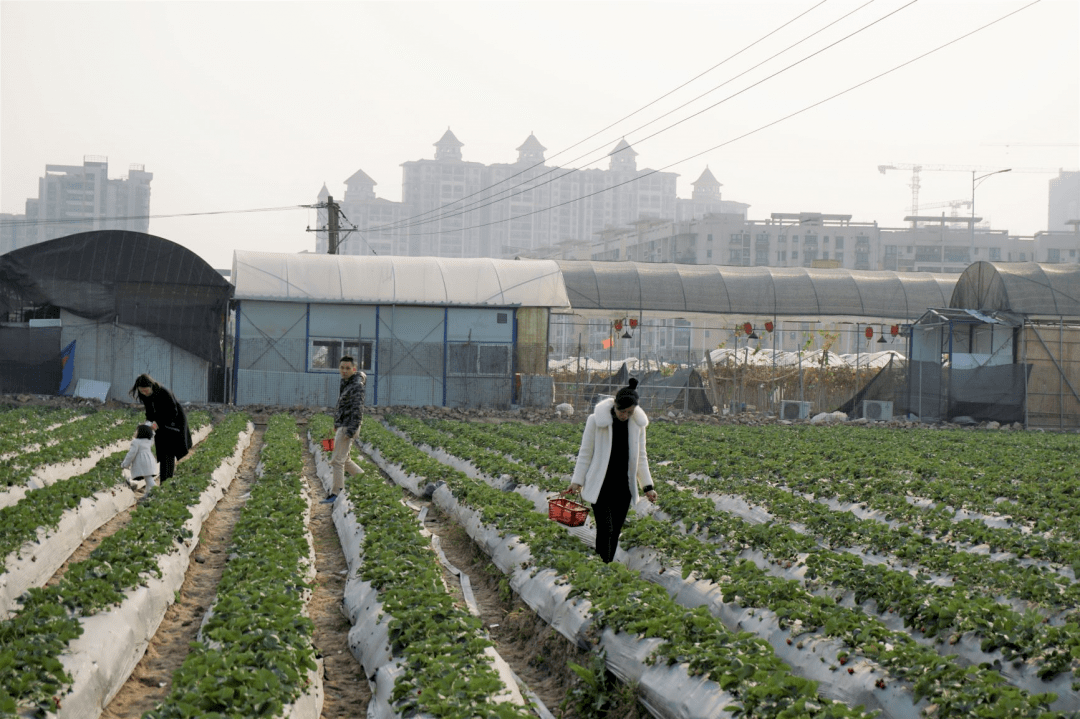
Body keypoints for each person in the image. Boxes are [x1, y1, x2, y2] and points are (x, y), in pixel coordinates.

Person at [568, 378, 658, 563]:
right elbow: (585, 453)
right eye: (621, 411)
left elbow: (641, 456)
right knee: (605, 528)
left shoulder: (637, 426)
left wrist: (648, 486)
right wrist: (577, 481)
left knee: (615, 530)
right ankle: (602, 564)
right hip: (601, 485)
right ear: (614, 405)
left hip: (623, 487)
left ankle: (605, 566)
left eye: (629, 412)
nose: (624, 415)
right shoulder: (596, 421)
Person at [129, 374, 191, 483]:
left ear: (151, 386)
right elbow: (149, 412)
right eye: (141, 391)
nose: (144, 393)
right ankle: (164, 482)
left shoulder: (164, 393)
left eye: (146, 390)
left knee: (169, 452)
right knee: (162, 452)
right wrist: (147, 424)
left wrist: (159, 423)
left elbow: (173, 412)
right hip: (160, 425)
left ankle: (166, 482)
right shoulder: (145, 395)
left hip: (173, 423)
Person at [322, 355, 366, 504]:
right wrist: (336, 423)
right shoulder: (346, 383)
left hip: (348, 426)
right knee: (345, 459)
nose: (344, 371)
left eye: (348, 368)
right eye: (342, 368)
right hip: (343, 424)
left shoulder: (356, 386)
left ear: (354, 369)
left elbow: (358, 410)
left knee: (337, 461)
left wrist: (350, 431)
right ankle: (365, 481)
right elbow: (342, 405)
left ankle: (336, 493)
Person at [122, 423, 158, 498]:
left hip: (142, 462)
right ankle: (147, 495)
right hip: (150, 460)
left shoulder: (136, 442)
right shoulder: (148, 441)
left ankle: (159, 493)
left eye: (137, 431)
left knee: (149, 480)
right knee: (148, 479)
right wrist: (153, 428)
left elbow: (131, 454)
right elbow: (153, 435)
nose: (135, 432)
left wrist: (125, 464)